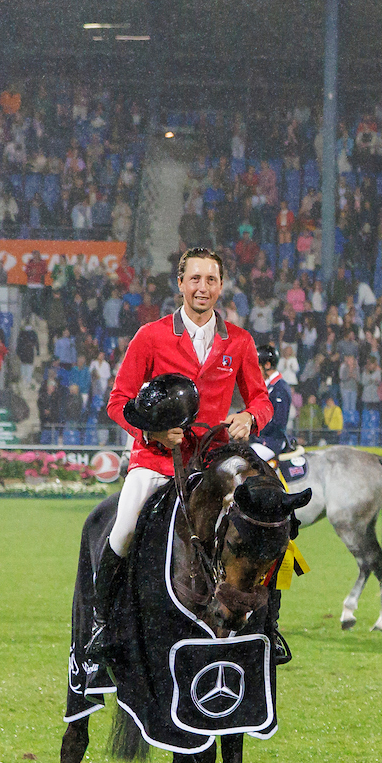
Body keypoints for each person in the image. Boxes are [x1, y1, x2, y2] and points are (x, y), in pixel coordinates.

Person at [88, 247, 270, 670]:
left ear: (221, 286)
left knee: (264, 520)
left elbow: (261, 398)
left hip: (215, 465)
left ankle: (267, 625)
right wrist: (150, 431)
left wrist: (249, 415)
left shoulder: (239, 341)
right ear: (180, 283)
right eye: (195, 279)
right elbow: (118, 402)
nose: (202, 287)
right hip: (157, 460)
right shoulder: (150, 337)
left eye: (211, 280)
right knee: (125, 527)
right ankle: (102, 624)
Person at [255, 342, 295, 456]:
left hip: (272, 441)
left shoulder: (280, 389)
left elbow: (278, 423)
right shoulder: (266, 386)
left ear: (267, 365)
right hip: (260, 439)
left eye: (258, 367)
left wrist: (252, 430)